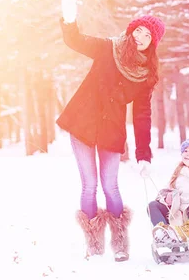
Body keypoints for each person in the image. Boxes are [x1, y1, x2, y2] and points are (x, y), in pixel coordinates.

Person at [57, 14, 165, 262]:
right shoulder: (108, 48)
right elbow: (75, 40)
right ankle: (93, 244)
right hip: (82, 121)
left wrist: (143, 154)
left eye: (148, 35)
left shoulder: (145, 75)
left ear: (153, 42)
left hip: (111, 128)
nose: (141, 37)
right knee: (89, 185)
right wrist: (69, 18)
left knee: (110, 185)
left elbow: (142, 116)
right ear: (131, 30)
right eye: (138, 30)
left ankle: (120, 244)